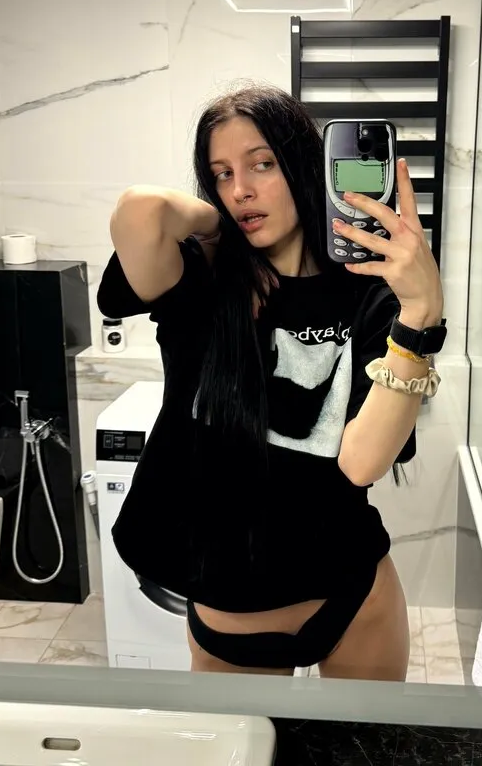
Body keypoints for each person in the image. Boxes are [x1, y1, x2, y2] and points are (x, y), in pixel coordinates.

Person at [96, 84, 446, 681]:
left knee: (367, 738)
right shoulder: (200, 277)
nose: (240, 189)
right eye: (222, 174)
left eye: (262, 164)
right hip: (232, 605)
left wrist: (419, 314)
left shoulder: (369, 290)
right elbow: (139, 210)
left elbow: (361, 463)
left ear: (304, 166)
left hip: (354, 593)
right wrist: (220, 231)